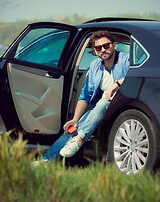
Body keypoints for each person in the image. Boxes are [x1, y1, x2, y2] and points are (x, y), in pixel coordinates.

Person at [36, 30, 129, 164]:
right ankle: (46, 161)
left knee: (104, 100)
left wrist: (116, 84)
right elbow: (86, 94)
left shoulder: (126, 60)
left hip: (122, 103)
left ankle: (79, 139)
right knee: (72, 129)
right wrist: (75, 119)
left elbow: (138, 75)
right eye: (98, 48)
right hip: (101, 107)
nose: (103, 50)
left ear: (114, 46)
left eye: (106, 46)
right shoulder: (95, 66)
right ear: (95, 51)